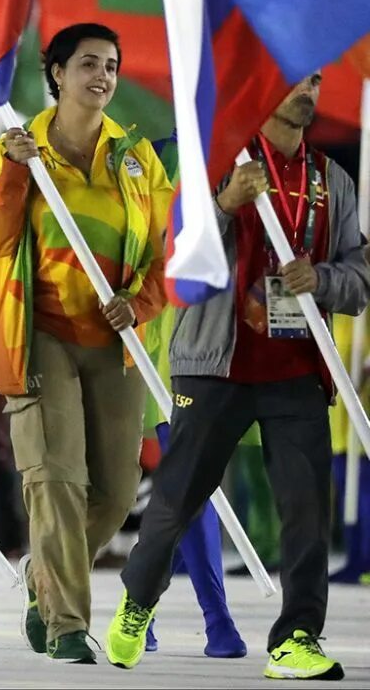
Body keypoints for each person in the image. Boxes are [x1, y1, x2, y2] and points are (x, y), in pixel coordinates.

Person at [106, 73, 370, 680]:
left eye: (316, 80)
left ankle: (296, 638)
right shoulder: (216, 166)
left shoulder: (333, 180)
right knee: (177, 502)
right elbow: (178, 259)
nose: (309, 90)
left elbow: (358, 276)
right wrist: (223, 206)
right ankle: (137, 601)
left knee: (307, 512)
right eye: (294, 80)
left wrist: (322, 280)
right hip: (214, 363)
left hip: (299, 367)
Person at [0, 23, 172, 663]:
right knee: (57, 478)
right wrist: (14, 173)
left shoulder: (136, 156)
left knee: (116, 493)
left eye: (112, 65)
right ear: (56, 73)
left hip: (116, 339)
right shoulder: (20, 148)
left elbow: (165, 252)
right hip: (41, 333)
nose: (103, 76)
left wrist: (139, 302)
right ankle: (67, 625)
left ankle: (45, 582)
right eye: (88, 63)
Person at [138, 134, 245, 659]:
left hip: (212, 343)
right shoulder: (149, 156)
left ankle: (175, 613)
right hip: (150, 348)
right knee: (174, 486)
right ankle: (198, 617)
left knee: (191, 484)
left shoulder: (243, 154)